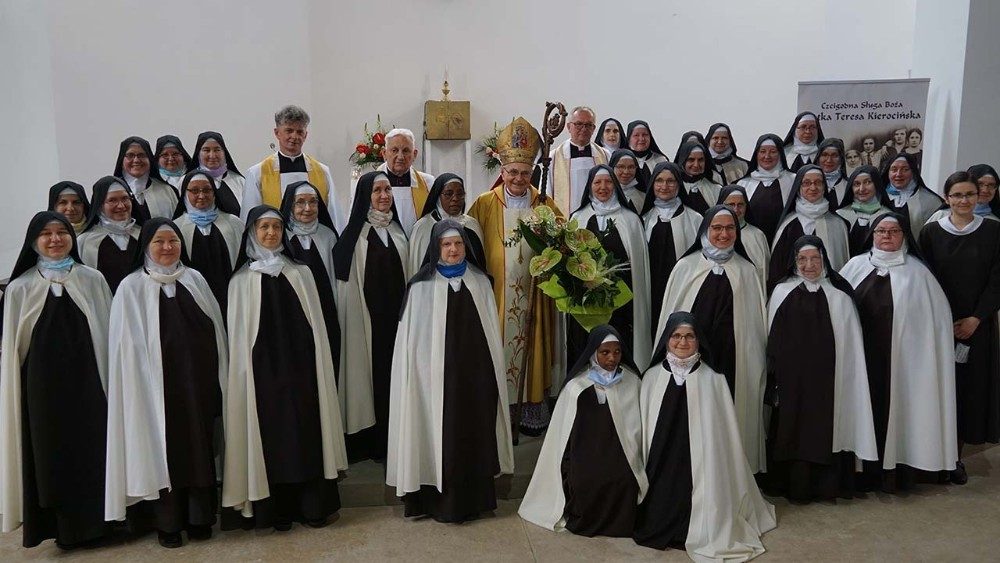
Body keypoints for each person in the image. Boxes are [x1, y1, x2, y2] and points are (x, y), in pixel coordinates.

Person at [222, 205, 347, 531]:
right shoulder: (241, 281)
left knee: (307, 436)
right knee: (271, 442)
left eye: (276, 227)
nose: (271, 233)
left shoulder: (300, 273)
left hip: (303, 373)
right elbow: (240, 340)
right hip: (262, 378)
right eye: (263, 227)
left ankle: (313, 507)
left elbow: (316, 328)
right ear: (252, 232)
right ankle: (276, 512)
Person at [104, 219, 227, 548]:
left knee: (198, 447)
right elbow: (124, 348)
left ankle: (200, 517)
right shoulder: (131, 287)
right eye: (159, 241)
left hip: (196, 386)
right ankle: (167, 523)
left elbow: (215, 331)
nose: (168, 247)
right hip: (152, 390)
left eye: (173, 240)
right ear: (146, 246)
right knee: (161, 451)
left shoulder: (195, 279)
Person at [387, 220, 513, 523]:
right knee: (440, 436)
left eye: (458, 243)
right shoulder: (420, 288)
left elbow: (490, 336)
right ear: (436, 248)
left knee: (475, 434)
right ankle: (438, 503)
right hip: (434, 383)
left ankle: (477, 500)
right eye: (446, 244)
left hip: (475, 380)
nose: (453, 249)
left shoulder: (480, 282)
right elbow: (411, 347)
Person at [0, 211, 112, 549]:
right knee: (50, 455)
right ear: (34, 242)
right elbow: (15, 349)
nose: (55, 239)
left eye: (61, 232)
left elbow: (108, 334)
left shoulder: (92, 279)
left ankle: (101, 526)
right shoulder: (19, 288)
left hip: (89, 385)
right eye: (46, 234)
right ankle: (59, 530)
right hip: (42, 389)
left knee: (94, 451)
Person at [634, 312, 775, 556]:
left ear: (699, 341)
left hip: (702, 465)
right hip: (661, 461)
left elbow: (724, 434)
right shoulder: (651, 377)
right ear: (667, 339)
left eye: (690, 336)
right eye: (676, 336)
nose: (682, 342)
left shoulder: (713, 379)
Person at [840, 213, 957, 493]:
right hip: (862, 361)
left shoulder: (919, 274)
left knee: (900, 413)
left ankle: (897, 472)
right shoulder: (854, 267)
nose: (887, 236)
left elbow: (935, 326)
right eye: (881, 231)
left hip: (905, 364)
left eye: (894, 231)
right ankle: (861, 471)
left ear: (904, 235)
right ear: (872, 235)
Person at [655, 206, 768, 474]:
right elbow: (671, 318)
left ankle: (732, 471)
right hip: (693, 357)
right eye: (717, 228)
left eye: (730, 228)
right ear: (705, 230)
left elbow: (755, 327)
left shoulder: (747, 271)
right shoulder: (686, 267)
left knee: (733, 412)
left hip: (734, 359)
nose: (723, 234)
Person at [764, 236, 878, 502]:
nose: (809, 265)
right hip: (792, 383)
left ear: (824, 259)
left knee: (828, 428)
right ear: (794, 262)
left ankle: (828, 486)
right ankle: (792, 486)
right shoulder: (781, 292)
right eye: (802, 259)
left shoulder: (840, 296)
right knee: (792, 429)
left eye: (815, 258)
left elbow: (852, 348)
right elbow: (770, 340)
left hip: (832, 382)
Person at [467, 117, 561, 436]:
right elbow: (470, 245)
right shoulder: (484, 204)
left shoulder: (544, 203)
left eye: (525, 172)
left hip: (536, 293)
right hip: (497, 295)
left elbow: (561, 242)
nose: (519, 178)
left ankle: (530, 411)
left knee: (532, 349)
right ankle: (500, 411)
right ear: (503, 171)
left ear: (532, 172)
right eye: (513, 172)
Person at [519, 326, 645, 538]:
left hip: (623, 454)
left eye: (617, 352)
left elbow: (637, 430)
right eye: (605, 352)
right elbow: (563, 437)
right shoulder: (576, 387)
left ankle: (620, 525)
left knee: (624, 480)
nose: (612, 357)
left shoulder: (632, 383)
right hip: (585, 454)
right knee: (585, 482)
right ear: (593, 352)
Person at [919, 172, 1000, 484]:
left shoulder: (993, 231)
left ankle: (954, 457)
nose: (964, 200)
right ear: (946, 198)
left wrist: (975, 318)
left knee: (967, 392)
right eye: (957, 195)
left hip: (978, 326)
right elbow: (926, 278)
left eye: (969, 194)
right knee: (937, 389)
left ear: (979, 196)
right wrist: (943, 321)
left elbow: (997, 279)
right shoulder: (931, 233)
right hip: (939, 326)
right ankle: (929, 455)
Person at [333, 171, 409, 461]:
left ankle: (396, 439)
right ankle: (370, 442)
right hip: (366, 323)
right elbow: (347, 288)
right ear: (365, 195)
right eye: (377, 190)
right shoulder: (355, 237)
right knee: (369, 380)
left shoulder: (399, 232)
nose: (384, 196)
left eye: (387, 190)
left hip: (397, 323)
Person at [568, 165, 651, 371]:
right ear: (589, 186)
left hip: (621, 301)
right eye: (597, 182)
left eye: (608, 182)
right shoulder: (578, 218)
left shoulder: (630, 220)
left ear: (615, 186)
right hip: (586, 300)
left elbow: (637, 268)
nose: (603, 187)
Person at [279, 181, 341, 375]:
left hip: (326, 313)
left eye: (313, 202)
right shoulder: (281, 237)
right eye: (300, 202)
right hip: (292, 316)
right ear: (290, 205)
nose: (307, 208)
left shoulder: (328, 236)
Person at [242, 105, 339, 228]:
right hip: (275, 237)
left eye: (300, 132)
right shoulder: (258, 173)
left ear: (305, 135)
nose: (294, 136)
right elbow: (250, 217)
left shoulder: (322, 171)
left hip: (316, 237)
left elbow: (334, 216)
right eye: (289, 130)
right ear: (277, 133)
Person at [640, 162, 702, 335]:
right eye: (659, 180)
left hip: (681, 288)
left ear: (678, 184)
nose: (664, 186)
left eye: (670, 181)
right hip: (650, 290)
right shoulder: (644, 219)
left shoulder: (695, 219)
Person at [768, 165, 850, 294]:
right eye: (806, 183)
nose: (813, 188)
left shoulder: (838, 224)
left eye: (818, 182)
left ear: (824, 187)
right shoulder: (787, 225)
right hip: (793, 295)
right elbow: (777, 269)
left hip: (830, 294)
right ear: (798, 187)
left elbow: (842, 266)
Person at [172, 171, 244, 311]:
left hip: (232, 297)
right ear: (185, 193)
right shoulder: (177, 228)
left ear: (214, 192)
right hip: (195, 300)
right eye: (194, 191)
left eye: (207, 190)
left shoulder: (234, 223)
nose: (201, 195)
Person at [408, 173, 485, 276]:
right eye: (449, 194)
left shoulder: (472, 225)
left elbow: (480, 266)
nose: (455, 198)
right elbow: (416, 269)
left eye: (460, 194)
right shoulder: (423, 227)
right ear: (438, 196)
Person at [77, 176, 142, 293]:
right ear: (100, 205)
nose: (121, 206)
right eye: (112, 200)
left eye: (125, 198)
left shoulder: (143, 235)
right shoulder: (85, 241)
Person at [547, 106, 610, 222]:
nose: (584, 129)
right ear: (568, 127)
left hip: (598, 220)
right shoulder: (554, 157)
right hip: (564, 221)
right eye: (578, 124)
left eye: (588, 125)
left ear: (594, 128)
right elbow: (547, 194)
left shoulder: (605, 156)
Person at [736, 134, 797, 243]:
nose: (767, 156)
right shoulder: (744, 184)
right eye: (762, 151)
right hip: (752, 242)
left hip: (785, 241)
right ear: (756, 154)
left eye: (773, 152)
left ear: (780, 154)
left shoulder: (793, 180)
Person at [374, 128, 435, 236]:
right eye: (394, 150)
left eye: (406, 151)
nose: (400, 157)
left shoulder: (428, 183)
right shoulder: (370, 184)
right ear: (384, 153)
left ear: (414, 154)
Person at [113, 136, 179, 221]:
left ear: (149, 159)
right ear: (122, 159)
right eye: (130, 155)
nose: (136, 160)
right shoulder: (112, 191)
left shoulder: (167, 191)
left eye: (141, 155)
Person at [880, 153, 944, 240]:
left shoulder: (931, 201)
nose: (898, 174)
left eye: (905, 169)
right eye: (894, 169)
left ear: (913, 172)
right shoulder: (877, 198)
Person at [718, 185, 769, 289]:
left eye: (740, 205)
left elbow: (764, 273)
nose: (736, 209)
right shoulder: (712, 234)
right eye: (731, 205)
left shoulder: (757, 236)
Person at [836, 166, 892, 257]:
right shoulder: (840, 215)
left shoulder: (888, 216)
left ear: (877, 184)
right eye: (856, 184)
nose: (862, 189)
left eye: (867, 182)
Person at [189, 131, 244, 217]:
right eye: (206, 150)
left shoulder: (239, 181)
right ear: (198, 154)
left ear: (224, 153)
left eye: (217, 150)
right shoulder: (187, 181)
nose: (212, 155)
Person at [676, 140, 721, 214]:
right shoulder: (673, 188)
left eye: (700, 160)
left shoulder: (716, 189)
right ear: (683, 161)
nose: (696, 165)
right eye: (691, 160)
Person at [626, 120, 669, 188]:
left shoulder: (661, 161)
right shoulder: (623, 160)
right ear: (629, 139)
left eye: (645, 135)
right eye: (636, 135)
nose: (641, 139)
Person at [817, 138, 850, 208]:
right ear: (818, 157)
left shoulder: (849, 185)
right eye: (825, 155)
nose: (829, 160)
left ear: (841, 159)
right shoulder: (808, 184)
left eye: (834, 155)